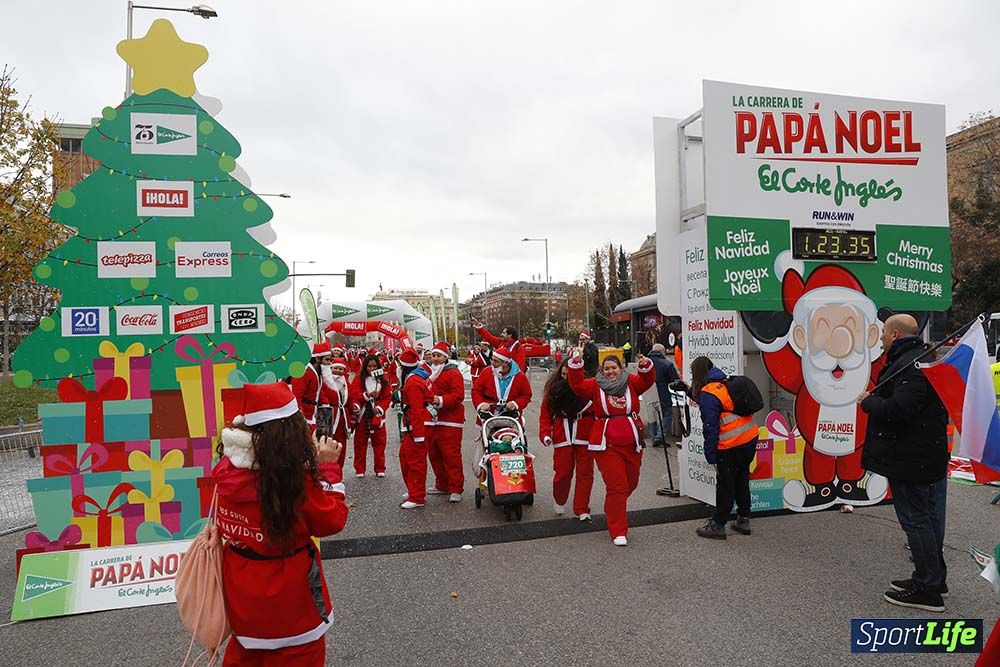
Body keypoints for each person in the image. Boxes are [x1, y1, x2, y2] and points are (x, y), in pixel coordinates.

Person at [214, 381, 349, 665]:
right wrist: (327, 469)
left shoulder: (226, 469)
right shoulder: (291, 480)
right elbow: (332, 520)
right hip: (292, 602)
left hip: (242, 594)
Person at [858, 314, 949, 612]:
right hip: (922, 455)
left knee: (917, 521)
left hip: (912, 459)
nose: (882, 339)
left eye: (884, 333)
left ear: (895, 334)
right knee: (926, 519)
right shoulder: (918, 359)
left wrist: (868, 401)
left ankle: (928, 589)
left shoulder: (911, 364)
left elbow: (900, 409)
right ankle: (932, 578)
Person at [567, 349, 655, 546]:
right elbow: (577, 385)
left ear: (620, 368)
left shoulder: (631, 382)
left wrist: (644, 366)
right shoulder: (595, 385)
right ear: (602, 370)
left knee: (631, 483)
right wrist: (576, 362)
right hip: (606, 444)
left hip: (632, 443)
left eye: (613, 368)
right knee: (617, 486)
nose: (610, 372)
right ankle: (618, 531)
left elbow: (647, 381)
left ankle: (613, 506)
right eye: (606, 369)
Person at [684, 357, 760, 540]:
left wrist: (711, 456)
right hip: (749, 438)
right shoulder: (723, 382)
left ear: (697, 373)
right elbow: (716, 402)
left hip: (730, 444)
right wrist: (688, 391)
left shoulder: (708, 392)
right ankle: (743, 520)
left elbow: (710, 427)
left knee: (725, 484)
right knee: (741, 479)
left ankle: (718, 524)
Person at [539, 359, 594, 521]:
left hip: (585, 435)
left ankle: (582, 509)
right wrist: (545, 434)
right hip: (562, 434)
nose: (566, 378)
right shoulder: (553, 391)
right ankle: (560, 498)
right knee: (563, 472)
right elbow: (545, 416)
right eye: (563, 374)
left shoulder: (588, 388)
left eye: (569, 375)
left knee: (585, 473)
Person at [425, 342, 467, 502]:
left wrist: (440, 400)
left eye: (439, 356)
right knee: (434, 454)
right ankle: (442, 484)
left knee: (451, 455)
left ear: (445, 357)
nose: (435, 359)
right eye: (433, 355)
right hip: (433, 419)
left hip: (450, 420)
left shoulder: (453, 373)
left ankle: (456, 488)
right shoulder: (430, 372)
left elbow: (458, 395)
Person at [396, 349, 433, 509]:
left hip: (418, 425)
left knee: (415, 461)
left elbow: (416, 409)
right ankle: (414, 490)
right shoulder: (415, 378)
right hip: (414, 423)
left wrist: (418, 435)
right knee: (405, 458)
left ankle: (417, 496)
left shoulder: (412, 383)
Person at [350, 355, 392, 478]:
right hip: (363, 414)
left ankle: (380, 467)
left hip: (377, 414)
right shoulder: (359, 378)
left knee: (380, 442)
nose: (372, 368)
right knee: (360, 442)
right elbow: (353, 393)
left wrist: (380, 408)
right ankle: (359, 468)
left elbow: (387, 397)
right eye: (369, 366)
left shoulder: (382, 380)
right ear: (365, 367)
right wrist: (366, 395)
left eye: (374, 366)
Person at [472, 345, 533, 427]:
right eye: (492, 359)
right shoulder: (486, 372)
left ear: (505, 363)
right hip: (488, 415)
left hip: (511, 417)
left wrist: (516, 403)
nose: (492, 363)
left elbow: (526, 395)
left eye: (496, 361)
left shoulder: (520, 376)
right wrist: (481, 404)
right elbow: (476, 391)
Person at [318, 356, 354, 468]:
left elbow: (351, 398)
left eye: (341, 369)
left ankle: (339, 470)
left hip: (342, 418)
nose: (338, 371)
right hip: (329, 415)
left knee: (341, 445)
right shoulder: (325, 380)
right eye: (335, 368)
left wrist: (354, 407)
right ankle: (326, 469)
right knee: (327, 442)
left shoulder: (346, 382)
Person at [290, 342, 332, 432]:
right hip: (303, 418)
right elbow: (296, 396)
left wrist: (325, 404)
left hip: (311, 415)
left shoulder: (317, 372)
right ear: (317, 359)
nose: (329, 363)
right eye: (327, 360)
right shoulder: (304, 372)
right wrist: (299, 418)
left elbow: (317, 391)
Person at [648, 343, 680, 444]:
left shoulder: (646, 363)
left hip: (647, 391)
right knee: (668, 413)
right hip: (662, 392)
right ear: (662, 351)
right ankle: (660, 436)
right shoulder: (667, 364)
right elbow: (675, 380)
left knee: (651, 413)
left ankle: (653, 436)